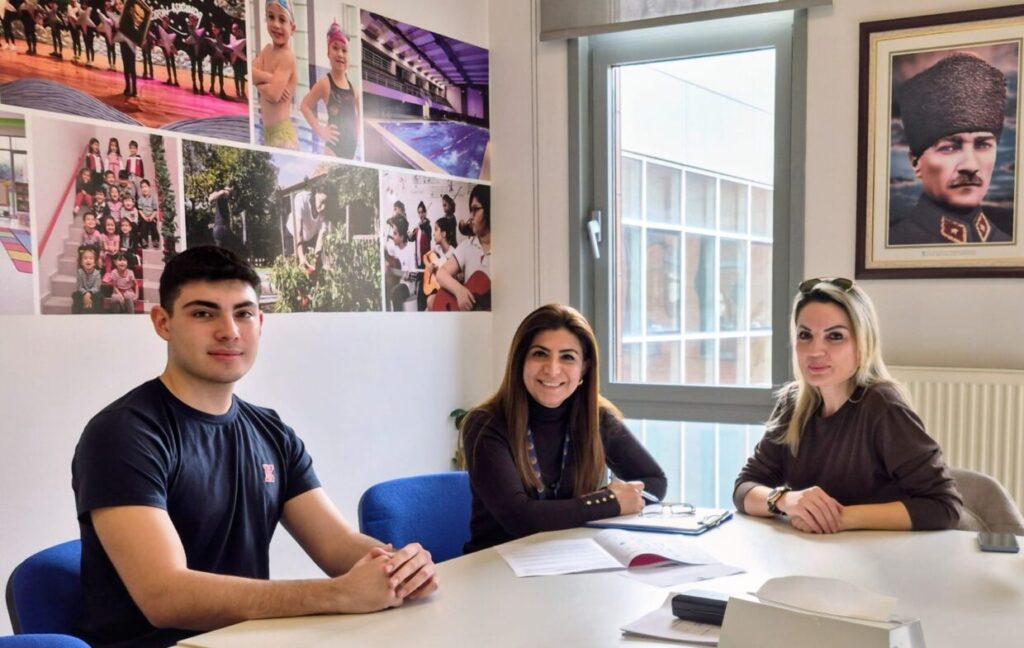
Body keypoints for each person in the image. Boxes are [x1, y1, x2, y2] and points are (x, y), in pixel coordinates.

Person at [71, 246, 438, 646]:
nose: (229, 331)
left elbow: (337, 544)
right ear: (163, 323)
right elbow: (166, 596)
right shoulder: (124, 434)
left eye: (243, 313)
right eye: (203, 313)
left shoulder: (271, 432)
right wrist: (339, 593)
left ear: (260, 322)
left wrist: (401, 566)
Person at [733, 278, 962, 533]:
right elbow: (745, 487)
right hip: (816, 550)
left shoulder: (882, 406)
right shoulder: (793, 403)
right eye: (805, 335)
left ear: (863, 345)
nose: (815, 351)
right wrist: (784, 500)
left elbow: (943, 506)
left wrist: (839, 518)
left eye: (835, 336)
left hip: (881, 554)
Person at [462, 304, 667, 553]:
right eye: (540, 354)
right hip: (494, 564)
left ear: (584, 368)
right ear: (520, 361)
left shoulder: (597, 418)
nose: (552, 369)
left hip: (571, 555)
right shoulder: (485, 424)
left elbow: (655, 481)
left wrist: (612, 501)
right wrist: (609, 501)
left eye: (567, 357)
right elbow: (520, 518)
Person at [890, 53, 1012, 245]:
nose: (970, 166)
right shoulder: (896, 242)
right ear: (915, 163)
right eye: (949, 148)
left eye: (983, 145)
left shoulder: (1007, 244)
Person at [299, 20, 360, 159]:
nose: (340, 54)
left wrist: (358, 133)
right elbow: (304, 106)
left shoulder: (353, 89)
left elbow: (360, 114)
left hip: (351, 150)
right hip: (334, 149)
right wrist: (321, 131)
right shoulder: (325, 84)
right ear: (328, 53)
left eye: (344, 50)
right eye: (335, 48)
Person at [434, 185, 490, 311]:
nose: (471, 216)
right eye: (470, 210)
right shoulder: (466, 246)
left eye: (475, 209)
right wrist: (459, 290)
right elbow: (441, 274)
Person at [253, 0, 298, 149]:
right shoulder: (266, 50)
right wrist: (270, 78)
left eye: (282, 20)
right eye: (271, 17)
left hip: (283, 134)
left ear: (292, 28)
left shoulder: (287, 57)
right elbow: (249, 72)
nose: (276, 25)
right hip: (268, 132)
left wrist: (257, 81)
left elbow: (273, 95)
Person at [288, 185, 328, 273]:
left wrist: (315, 259)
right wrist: (301, 256)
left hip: (310, 236)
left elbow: (321, 237)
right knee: (294, 268)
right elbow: (298, 231)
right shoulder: (302, 199)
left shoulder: (326, 211)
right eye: (321, 202)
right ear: (315, 194)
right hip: (293, 234)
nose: (324, 207)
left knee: (314, 269)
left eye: (326, 203)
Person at [72, 246, 103, 314]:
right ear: (82, 262)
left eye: (91, 258)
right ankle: (77, 315)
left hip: (93, 293)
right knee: (76, 295)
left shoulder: (97, 273)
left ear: (94, 263)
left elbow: (96, 287)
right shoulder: (80, 272)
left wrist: (89, 293)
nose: (88, 260)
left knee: (99, 296)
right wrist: (85, 293)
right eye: (85, 258)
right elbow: (79, 287)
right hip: (83, 293)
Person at [137, 178, 159, 248]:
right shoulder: (140, 199)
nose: (144, 189)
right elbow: (140, 210)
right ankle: (144, 241)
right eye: (142, 187)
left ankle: (155, 240)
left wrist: (151, 217)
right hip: (144, 217)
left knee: (153, 226)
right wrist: (145, 218)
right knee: (143, 226)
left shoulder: (152, 199)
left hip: (152, 216)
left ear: (149, 188)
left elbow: (155, 210)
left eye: (145, 187)